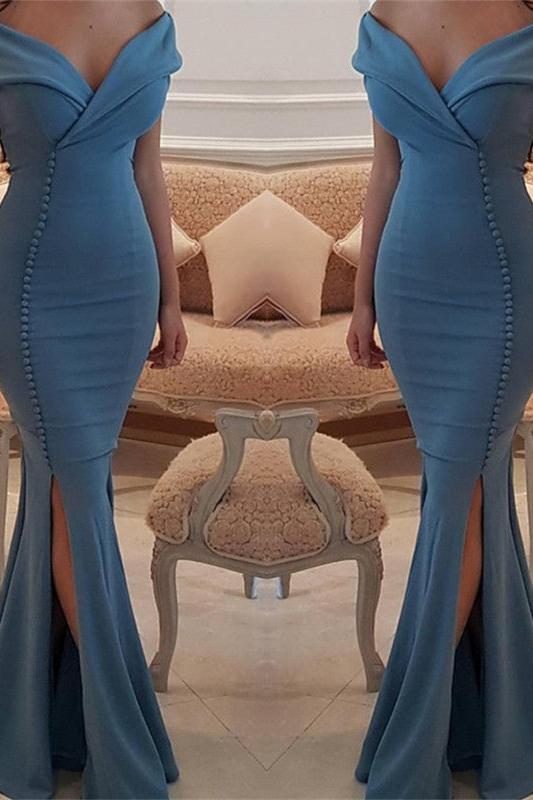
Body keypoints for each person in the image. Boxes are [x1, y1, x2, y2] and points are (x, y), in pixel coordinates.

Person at [0, 1, 188, 797]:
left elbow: (148, 170)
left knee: (70, 494)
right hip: (32, 285)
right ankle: (117, 737)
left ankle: (49, 724)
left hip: (121, 284)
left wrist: (171, 299)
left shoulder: (148, 14)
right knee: (74, 498)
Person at [346, 0, 533, 797]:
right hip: (411, 283)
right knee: (462, 493)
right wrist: (361, 299)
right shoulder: (384, 14)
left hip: (501, 285)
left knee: (458, 499)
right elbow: (384, 171)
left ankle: (415, 738)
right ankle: (485, 724)